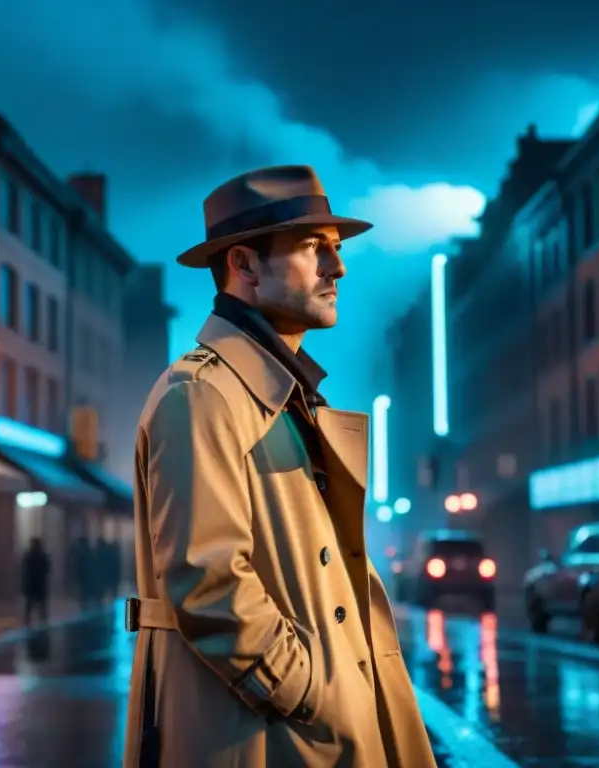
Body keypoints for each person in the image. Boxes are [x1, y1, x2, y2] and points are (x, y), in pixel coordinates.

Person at [123, 166, 436, 767]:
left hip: (300, 731)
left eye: (337, 250)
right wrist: (312, 692)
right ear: (244, 265)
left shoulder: (280, 393)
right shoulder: (202, 394)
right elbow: (207, 579)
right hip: (263, 736)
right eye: (313, 248)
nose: (337, 269)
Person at [21, 536, 50, 626]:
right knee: (41, 605)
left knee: (30, 604)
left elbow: (24, 569)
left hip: (31, 584)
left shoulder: (28, 555)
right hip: (40, 584)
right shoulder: (43, 556)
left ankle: (28, 621)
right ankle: (43, 621)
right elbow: (47, 569)